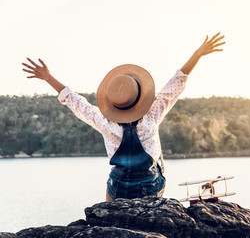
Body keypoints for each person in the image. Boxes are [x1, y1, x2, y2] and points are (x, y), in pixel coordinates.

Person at [22, 33, 225, 201]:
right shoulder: (151, 117)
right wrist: (198, 54)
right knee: (156, 172)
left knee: (111, 201)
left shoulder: (103, 121)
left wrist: (48, 77)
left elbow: (75, 101)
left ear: (112, 104)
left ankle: (111, 215)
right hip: (150, 186)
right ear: (139, 98)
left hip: (118, 187)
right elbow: (176, 84)